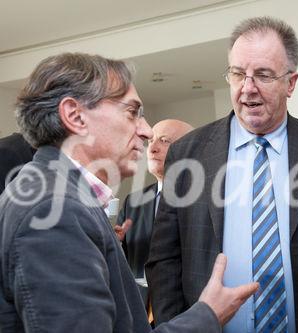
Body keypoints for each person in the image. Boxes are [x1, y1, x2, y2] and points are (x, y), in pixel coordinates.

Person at [0, 52, 258, 332]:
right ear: (75, 116)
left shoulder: (55, 195)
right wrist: (207, 315)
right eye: (133, 112)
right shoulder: (54, 210)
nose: (147, 132)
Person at [146, 16, 298, 332]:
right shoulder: (188, 153)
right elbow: (164, 260)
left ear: (291, 82)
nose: (247, 89)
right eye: (237, 74)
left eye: (263, 75)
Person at [115, 119, 193, 307]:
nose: (152, 149)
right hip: (140, 312)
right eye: (151, 142)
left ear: (192, 150)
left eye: (164, 141)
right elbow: (120, 266)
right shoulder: (133, 202)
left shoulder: (207, 201)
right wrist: (112, 244)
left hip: (189, 311)